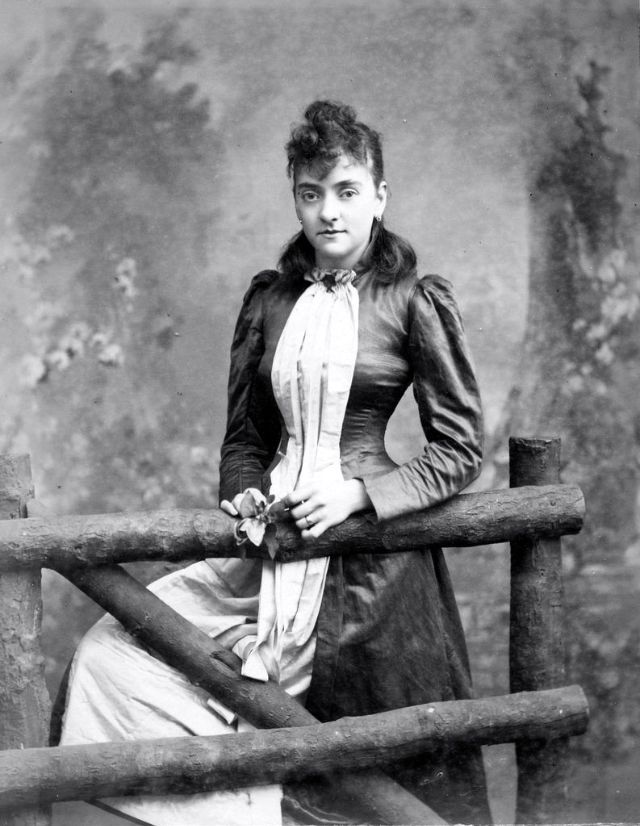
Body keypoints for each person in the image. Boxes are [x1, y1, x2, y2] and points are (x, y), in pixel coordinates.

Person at [59, 100, 491, 826]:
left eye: (347, 191)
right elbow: (245, 442)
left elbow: (460, 447)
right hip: (267, 548)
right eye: (311, 193)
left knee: (362, 763)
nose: (329, 212)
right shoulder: (270, 299)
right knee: (115, 650)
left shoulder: (413, 300)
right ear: (295, 198)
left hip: (369, 569)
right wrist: (244, 493)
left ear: (380, 196)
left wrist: (360, 493)